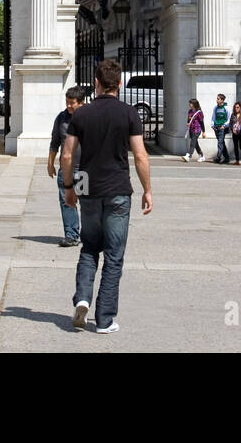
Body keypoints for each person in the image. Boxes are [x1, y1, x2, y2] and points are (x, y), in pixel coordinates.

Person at [62, 58, 153, 334]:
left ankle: (82, 298)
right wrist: (147, 189)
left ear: (96, 84)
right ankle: (104, 319)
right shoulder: (129, 114)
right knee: (114, 255)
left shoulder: (81, 114)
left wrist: (69, 187)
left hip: (87, 185)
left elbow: (67, 154)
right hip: (117, 188)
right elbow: (139, 155)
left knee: (89, 246)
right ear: (121, 83)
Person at [48, 86, 87, 247]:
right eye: (67, 102)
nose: (69, 106)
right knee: (67, 202)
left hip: (85, 169)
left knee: (86, 203)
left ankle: (89, 234)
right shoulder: (61, 118)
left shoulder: (89, 118)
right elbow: (55, 142)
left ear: (81, 103)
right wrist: (50, 163)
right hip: (67, 170)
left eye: (72, 103)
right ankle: (71, 235)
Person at [211, 94, 231, 164]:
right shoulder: (215, 108)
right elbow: (213, 117)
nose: (217, 100)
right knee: (221, 142)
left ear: (222, 100)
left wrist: (224, 125)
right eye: (217, 98)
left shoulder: (227, 108)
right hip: (216, 127)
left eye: (218, 99)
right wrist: (212, 125)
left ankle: (218, 157)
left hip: (222, 127)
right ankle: (227, 157)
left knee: (220, 142)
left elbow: (229, 118)